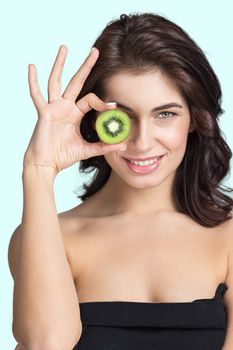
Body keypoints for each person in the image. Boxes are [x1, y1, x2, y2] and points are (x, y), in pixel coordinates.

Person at [8, 12, 233, 350]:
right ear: (95, 120)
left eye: (165, 114)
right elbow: (45, 343)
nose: (142, 142)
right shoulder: (48, 238)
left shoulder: (227, 237)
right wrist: (39, 170)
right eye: (122, 117)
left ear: (193, 119)